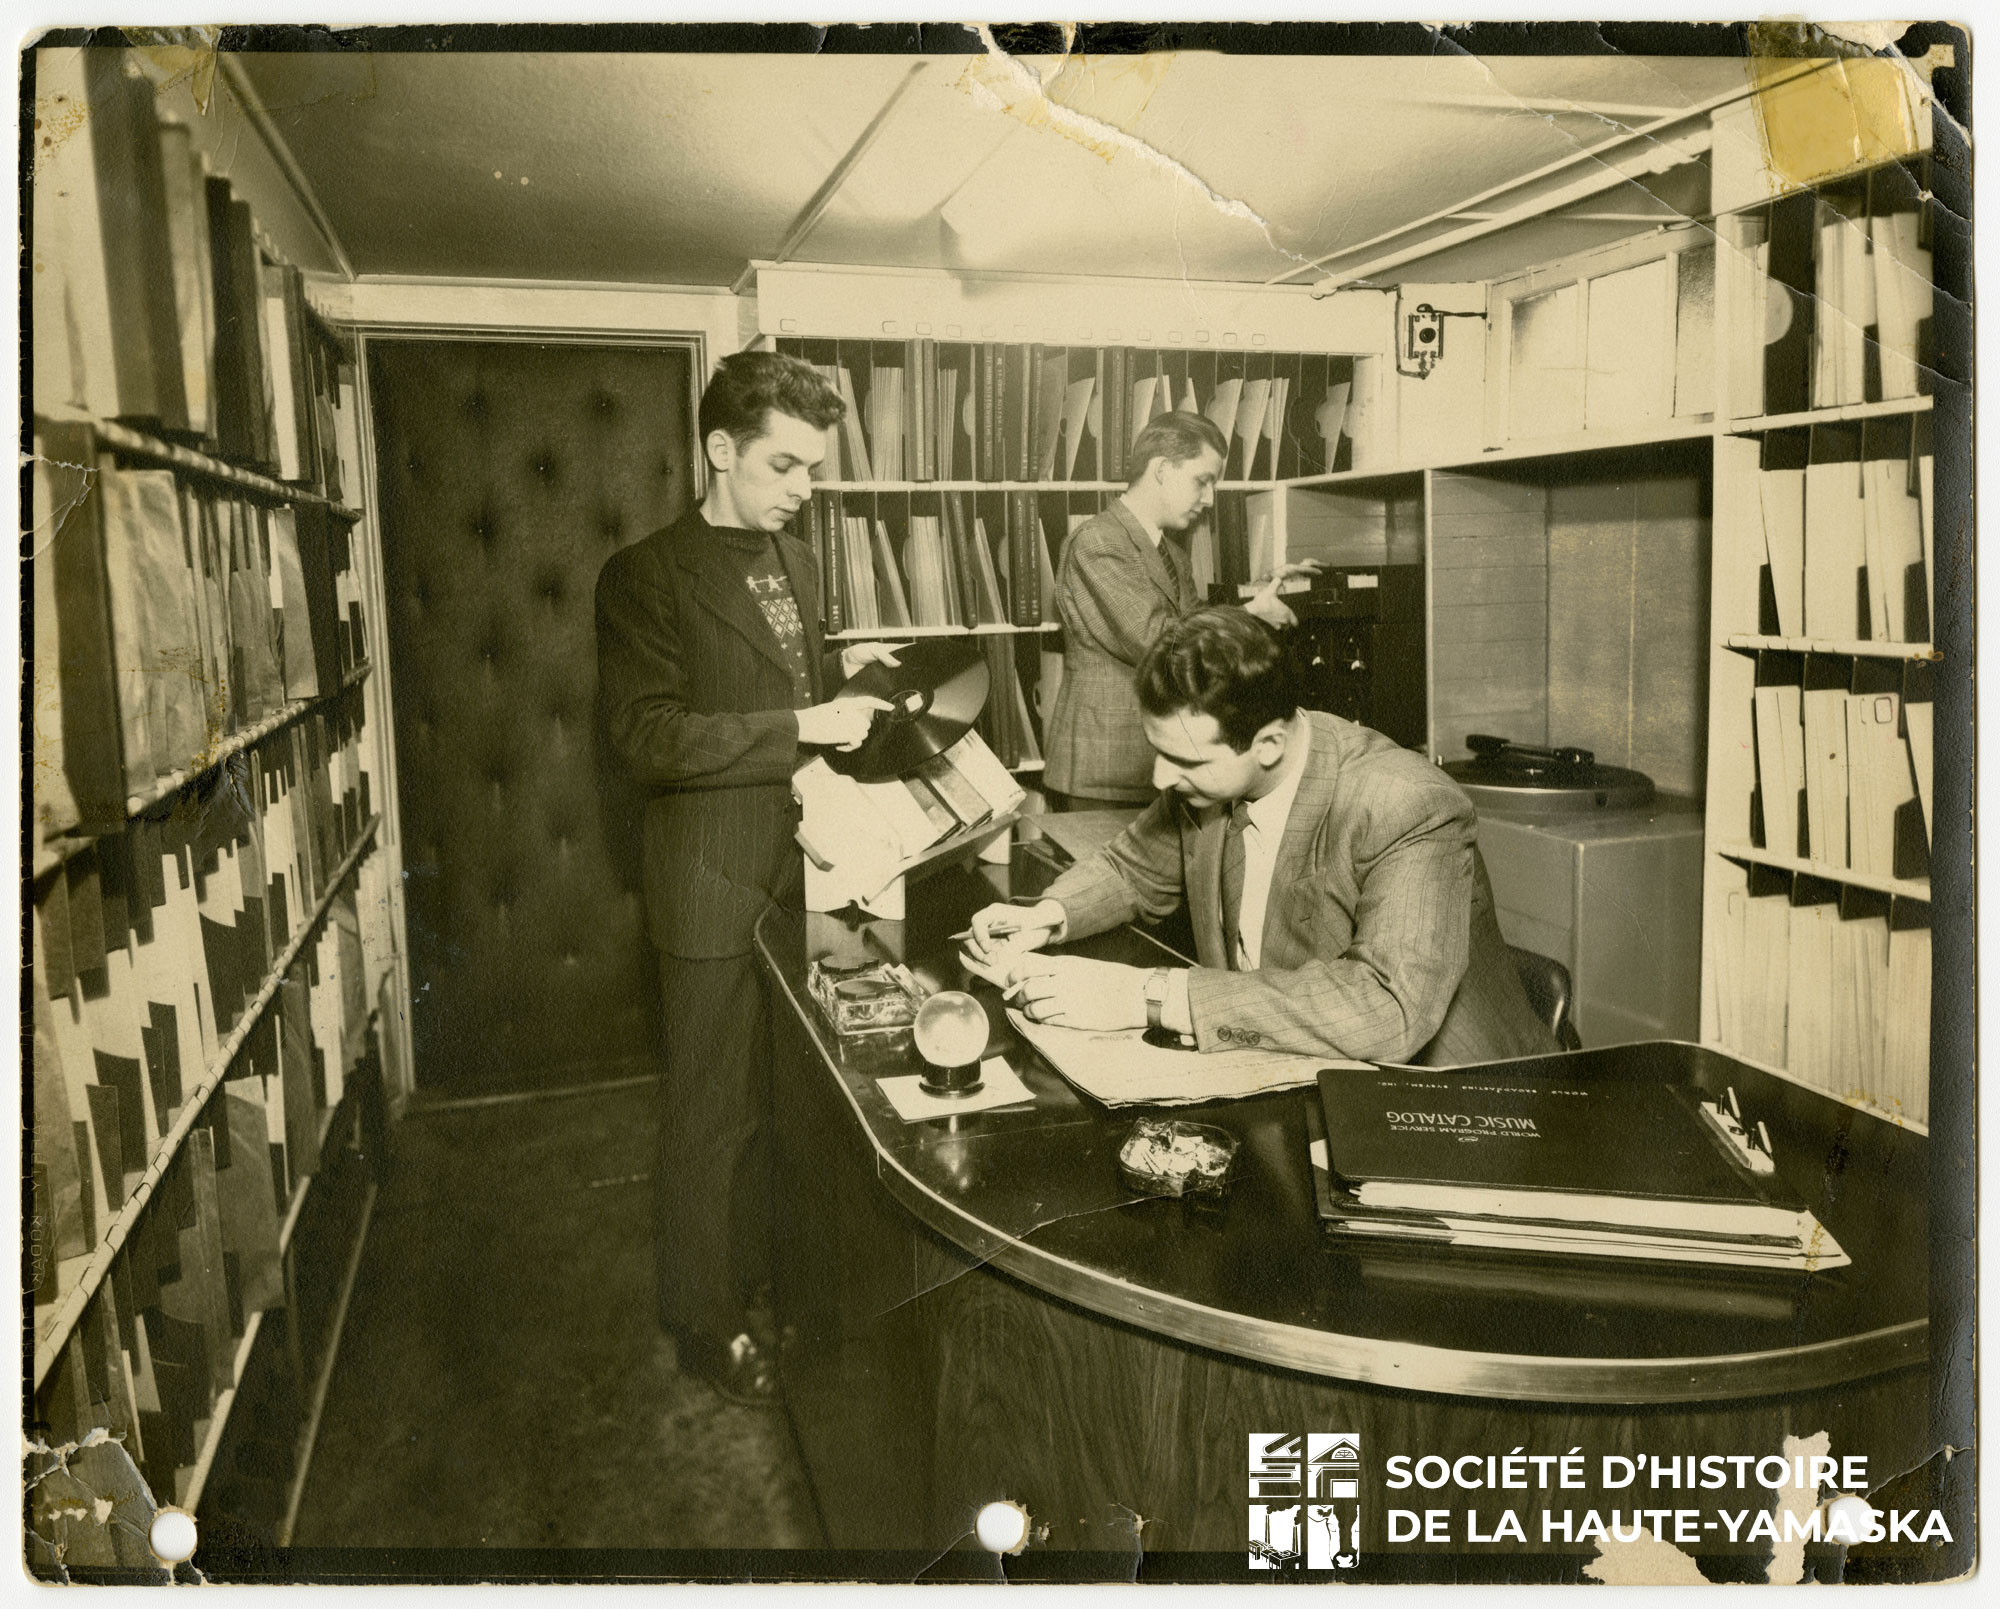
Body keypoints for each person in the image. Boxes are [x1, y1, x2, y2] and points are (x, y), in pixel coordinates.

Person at [595, 351, 901, 1406]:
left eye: (813, 469)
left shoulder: (800, 560)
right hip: (710, 879)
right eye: (782, 465)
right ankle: (704, 1320)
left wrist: (849, 693)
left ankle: (771, 1279)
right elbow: (644, 737)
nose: (801, 490)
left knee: (792, 1105)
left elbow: (788, 694)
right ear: (719, 450)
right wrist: (800, 724)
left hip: (800, 870)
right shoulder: (642, 574)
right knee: (709, 1113)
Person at [965, 607, 1555, 1066]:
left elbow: (1389, 1009)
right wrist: (1045, 915)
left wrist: (1149, 995)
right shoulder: (1212, 778)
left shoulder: (1405, 802)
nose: (1159, 779)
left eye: (1185, 763)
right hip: (1284, 1066)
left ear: (1269, 744)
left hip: (1445, 1098)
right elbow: (1131, 868)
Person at [1042, 411, 1315, 808]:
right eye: (1202, 481)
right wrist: (1252, 613)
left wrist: (1262, 592)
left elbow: (1195, 623)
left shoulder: (1171, 553)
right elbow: (1156, 639)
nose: (1209, 500)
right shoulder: (1097, 541)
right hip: (1104, 770)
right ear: (1162, 469)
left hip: (1161, 762)